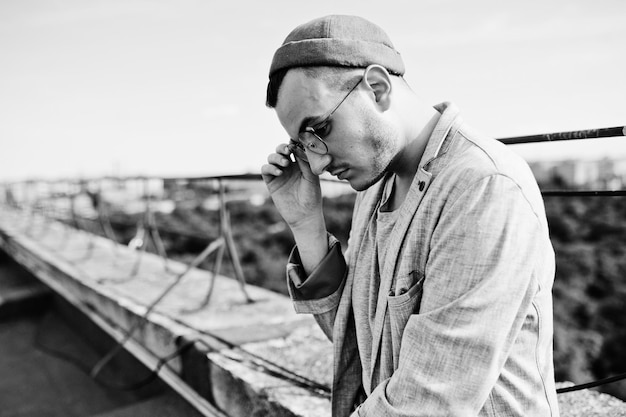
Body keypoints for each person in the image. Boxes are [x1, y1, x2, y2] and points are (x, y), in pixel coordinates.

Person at [261, 14, 559, 417]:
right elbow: (355, 343)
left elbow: (431, 400)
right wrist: (306, 224)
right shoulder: (377, 187)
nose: (316, 164)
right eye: (303, 145)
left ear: (378, 88)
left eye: (321, 130)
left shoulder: (483, 186)